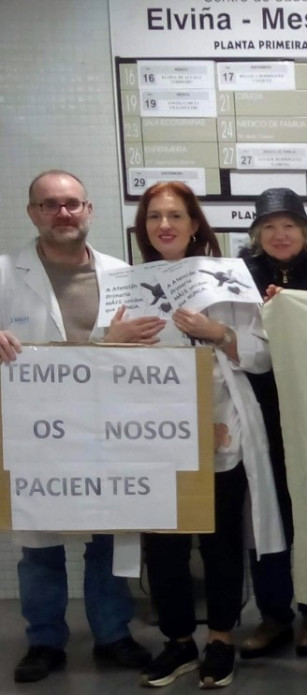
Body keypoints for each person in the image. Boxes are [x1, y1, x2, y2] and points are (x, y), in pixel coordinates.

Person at [0, 170, 156, 683]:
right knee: (39, 543)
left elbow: (149, 358)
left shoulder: (123, 276)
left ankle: (113, 635)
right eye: (49, 205)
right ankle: (44, 641)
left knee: (108, 538)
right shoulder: (4, 275)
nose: (62, 213)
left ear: (88, 210)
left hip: (109, 429)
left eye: (71, 204)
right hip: (36, 432)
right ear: (32, 213)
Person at [132, 181, 285, 689]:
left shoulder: (229, 278)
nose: (165, 225)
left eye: (175, 215)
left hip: (222, 434)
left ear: (195, 223)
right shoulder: (126, 284)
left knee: (220, 543)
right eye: (154, 216)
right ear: (144, 226)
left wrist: (217, 333)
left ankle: (220, 638)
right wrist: (113, 340)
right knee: (164, 550)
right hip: (154, 440)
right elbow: (96, 361)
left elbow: (264, 356)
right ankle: (177, 642)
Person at [238, 188, 307, 661]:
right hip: (258, 409)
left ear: (305, 231)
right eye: (270, 227)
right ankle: (274, 612)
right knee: (266, 513)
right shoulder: (238, 278)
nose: (280, 235)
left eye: (289, 226)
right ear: (258, 234)